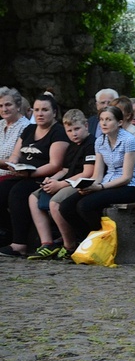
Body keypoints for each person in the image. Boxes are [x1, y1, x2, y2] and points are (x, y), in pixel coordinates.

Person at [57, 106, 135, 241]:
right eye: (101, 120)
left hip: (128, 187)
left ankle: (103, 239)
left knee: (85, 206)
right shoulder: (100, 141)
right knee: (66, 207)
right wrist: (89, 187)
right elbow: (98, 174)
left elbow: (126, 177)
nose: (104, 123)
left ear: (119, 122)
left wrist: (100, 188)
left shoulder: (128, 140)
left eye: (108, 119)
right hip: (106, 183)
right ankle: (88, 239)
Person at [0, 93, 69, 256]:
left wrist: (31, 173)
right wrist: (14, 164)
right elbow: (16, 154)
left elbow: (55, 164)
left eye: (45, 110)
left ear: (54, 112)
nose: (40, 113)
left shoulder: (58, 132)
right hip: (22, 174)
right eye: (37, 109)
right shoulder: (29, 129)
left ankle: (19, 244)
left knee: (17, 193)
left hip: (43, 177)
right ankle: (5, 235)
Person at [26, 109, 95, 260]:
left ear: (86, 126)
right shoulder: (72, 146)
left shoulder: (91, 144)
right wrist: (51, 180)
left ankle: (69, 245)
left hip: (79, 183)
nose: (73, 134)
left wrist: (60, 184)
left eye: (77, 129)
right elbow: (64, 169)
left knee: (55, 203)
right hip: (65, 180)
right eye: (69, 131)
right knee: (34, 197)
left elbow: (87, 173)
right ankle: (47, 243)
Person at [111, 96, 135, 179]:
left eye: (118, 111)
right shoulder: (112, 132)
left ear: (128, 115)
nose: (113, 114)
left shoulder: (133, 134)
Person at [0, 87, 31, 185]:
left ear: (18, 106)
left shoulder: (26, 127)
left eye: (8, 105)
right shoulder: (1, 124)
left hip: (12, 177)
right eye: (0, 106)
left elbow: (19, 161)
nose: (4, 109)